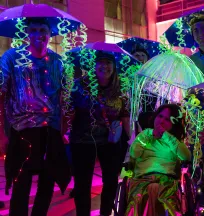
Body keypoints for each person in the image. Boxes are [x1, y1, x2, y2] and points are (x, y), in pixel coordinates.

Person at [0, 18, 70, 216]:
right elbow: (1, 93)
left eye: (43, 30)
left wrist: (64, 127)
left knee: (48, 182)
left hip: (51, 131)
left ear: (50, 34)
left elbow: (62, 98)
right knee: (21, 182)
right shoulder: (12, 57)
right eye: (33, 30)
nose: (38, 34)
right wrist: (2, 134)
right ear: (26, 33)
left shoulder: (58, 61)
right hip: (22, 130)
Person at [69, 51, 130, 216]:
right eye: (100, 62)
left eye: (108, 62)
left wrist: (131, 139)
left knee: (110, 181)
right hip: (82, 139)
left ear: (114, 66)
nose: (105, 66)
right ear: (93, 66)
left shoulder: (121, 88)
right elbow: (69, 110)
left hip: (110, 141)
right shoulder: (80, 85)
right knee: (82, 184)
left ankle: (105, 213)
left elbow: (125, 115)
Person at [126, 104, 191, 216]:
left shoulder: (173, 140)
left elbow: (186, 156)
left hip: (167, 182)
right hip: (142, 180)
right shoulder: (145, 134)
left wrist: (166, 136)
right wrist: (150, 135)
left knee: (162, 197)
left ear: (173, 123)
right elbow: (134, 153)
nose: (161, 121)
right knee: (141, 197)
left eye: (166, 119)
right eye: (160, 116)